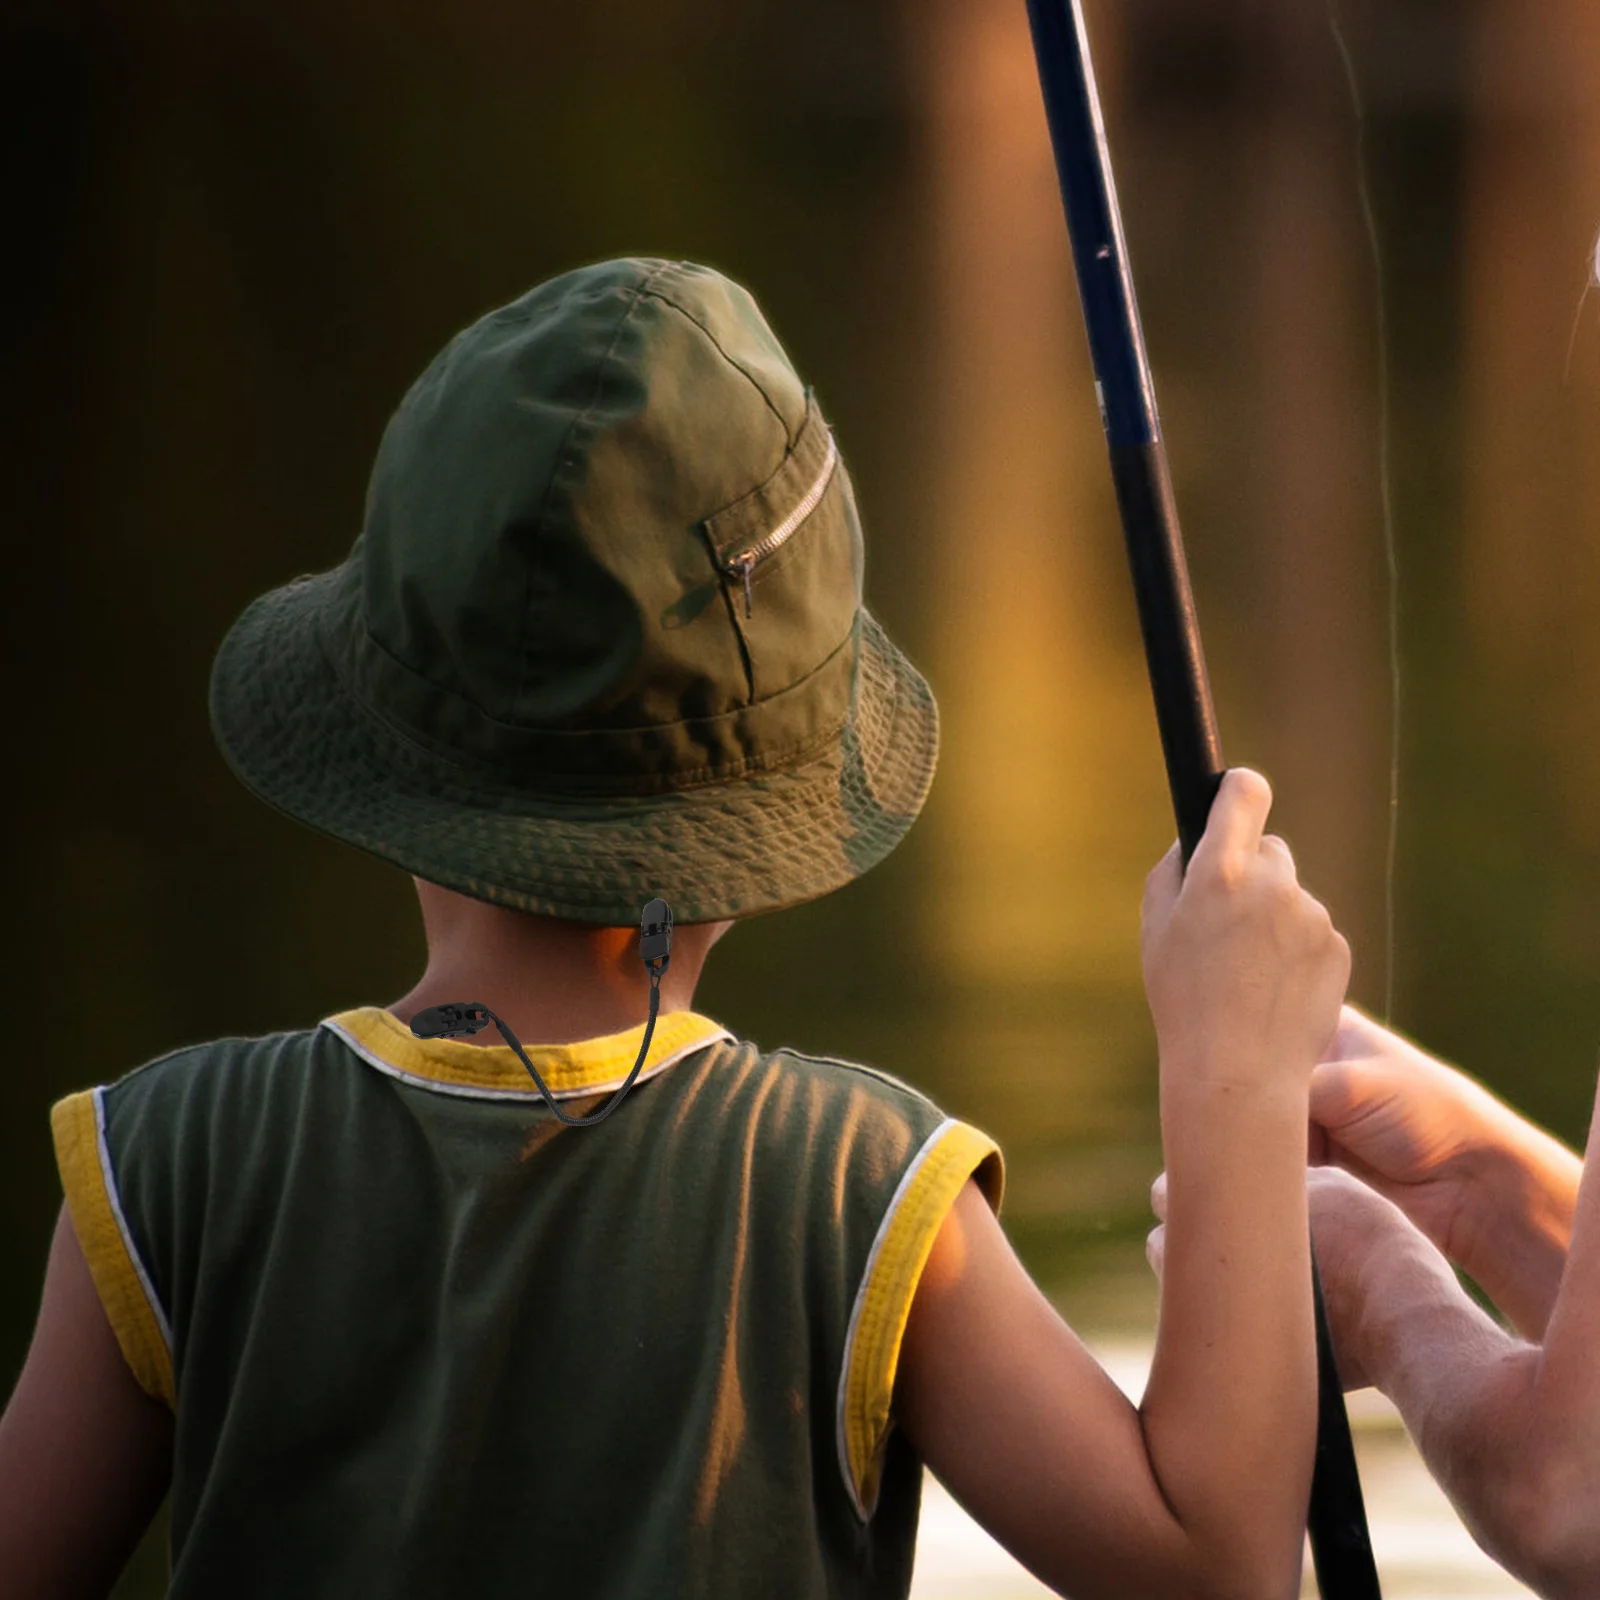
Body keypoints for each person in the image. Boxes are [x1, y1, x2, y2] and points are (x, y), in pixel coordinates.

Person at [0, 257, 1349, 1599]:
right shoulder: (859, 1199)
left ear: (385, 755)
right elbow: (1216, 1568)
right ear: (757, 826)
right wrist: (1233, 1066)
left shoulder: (158, 1171)